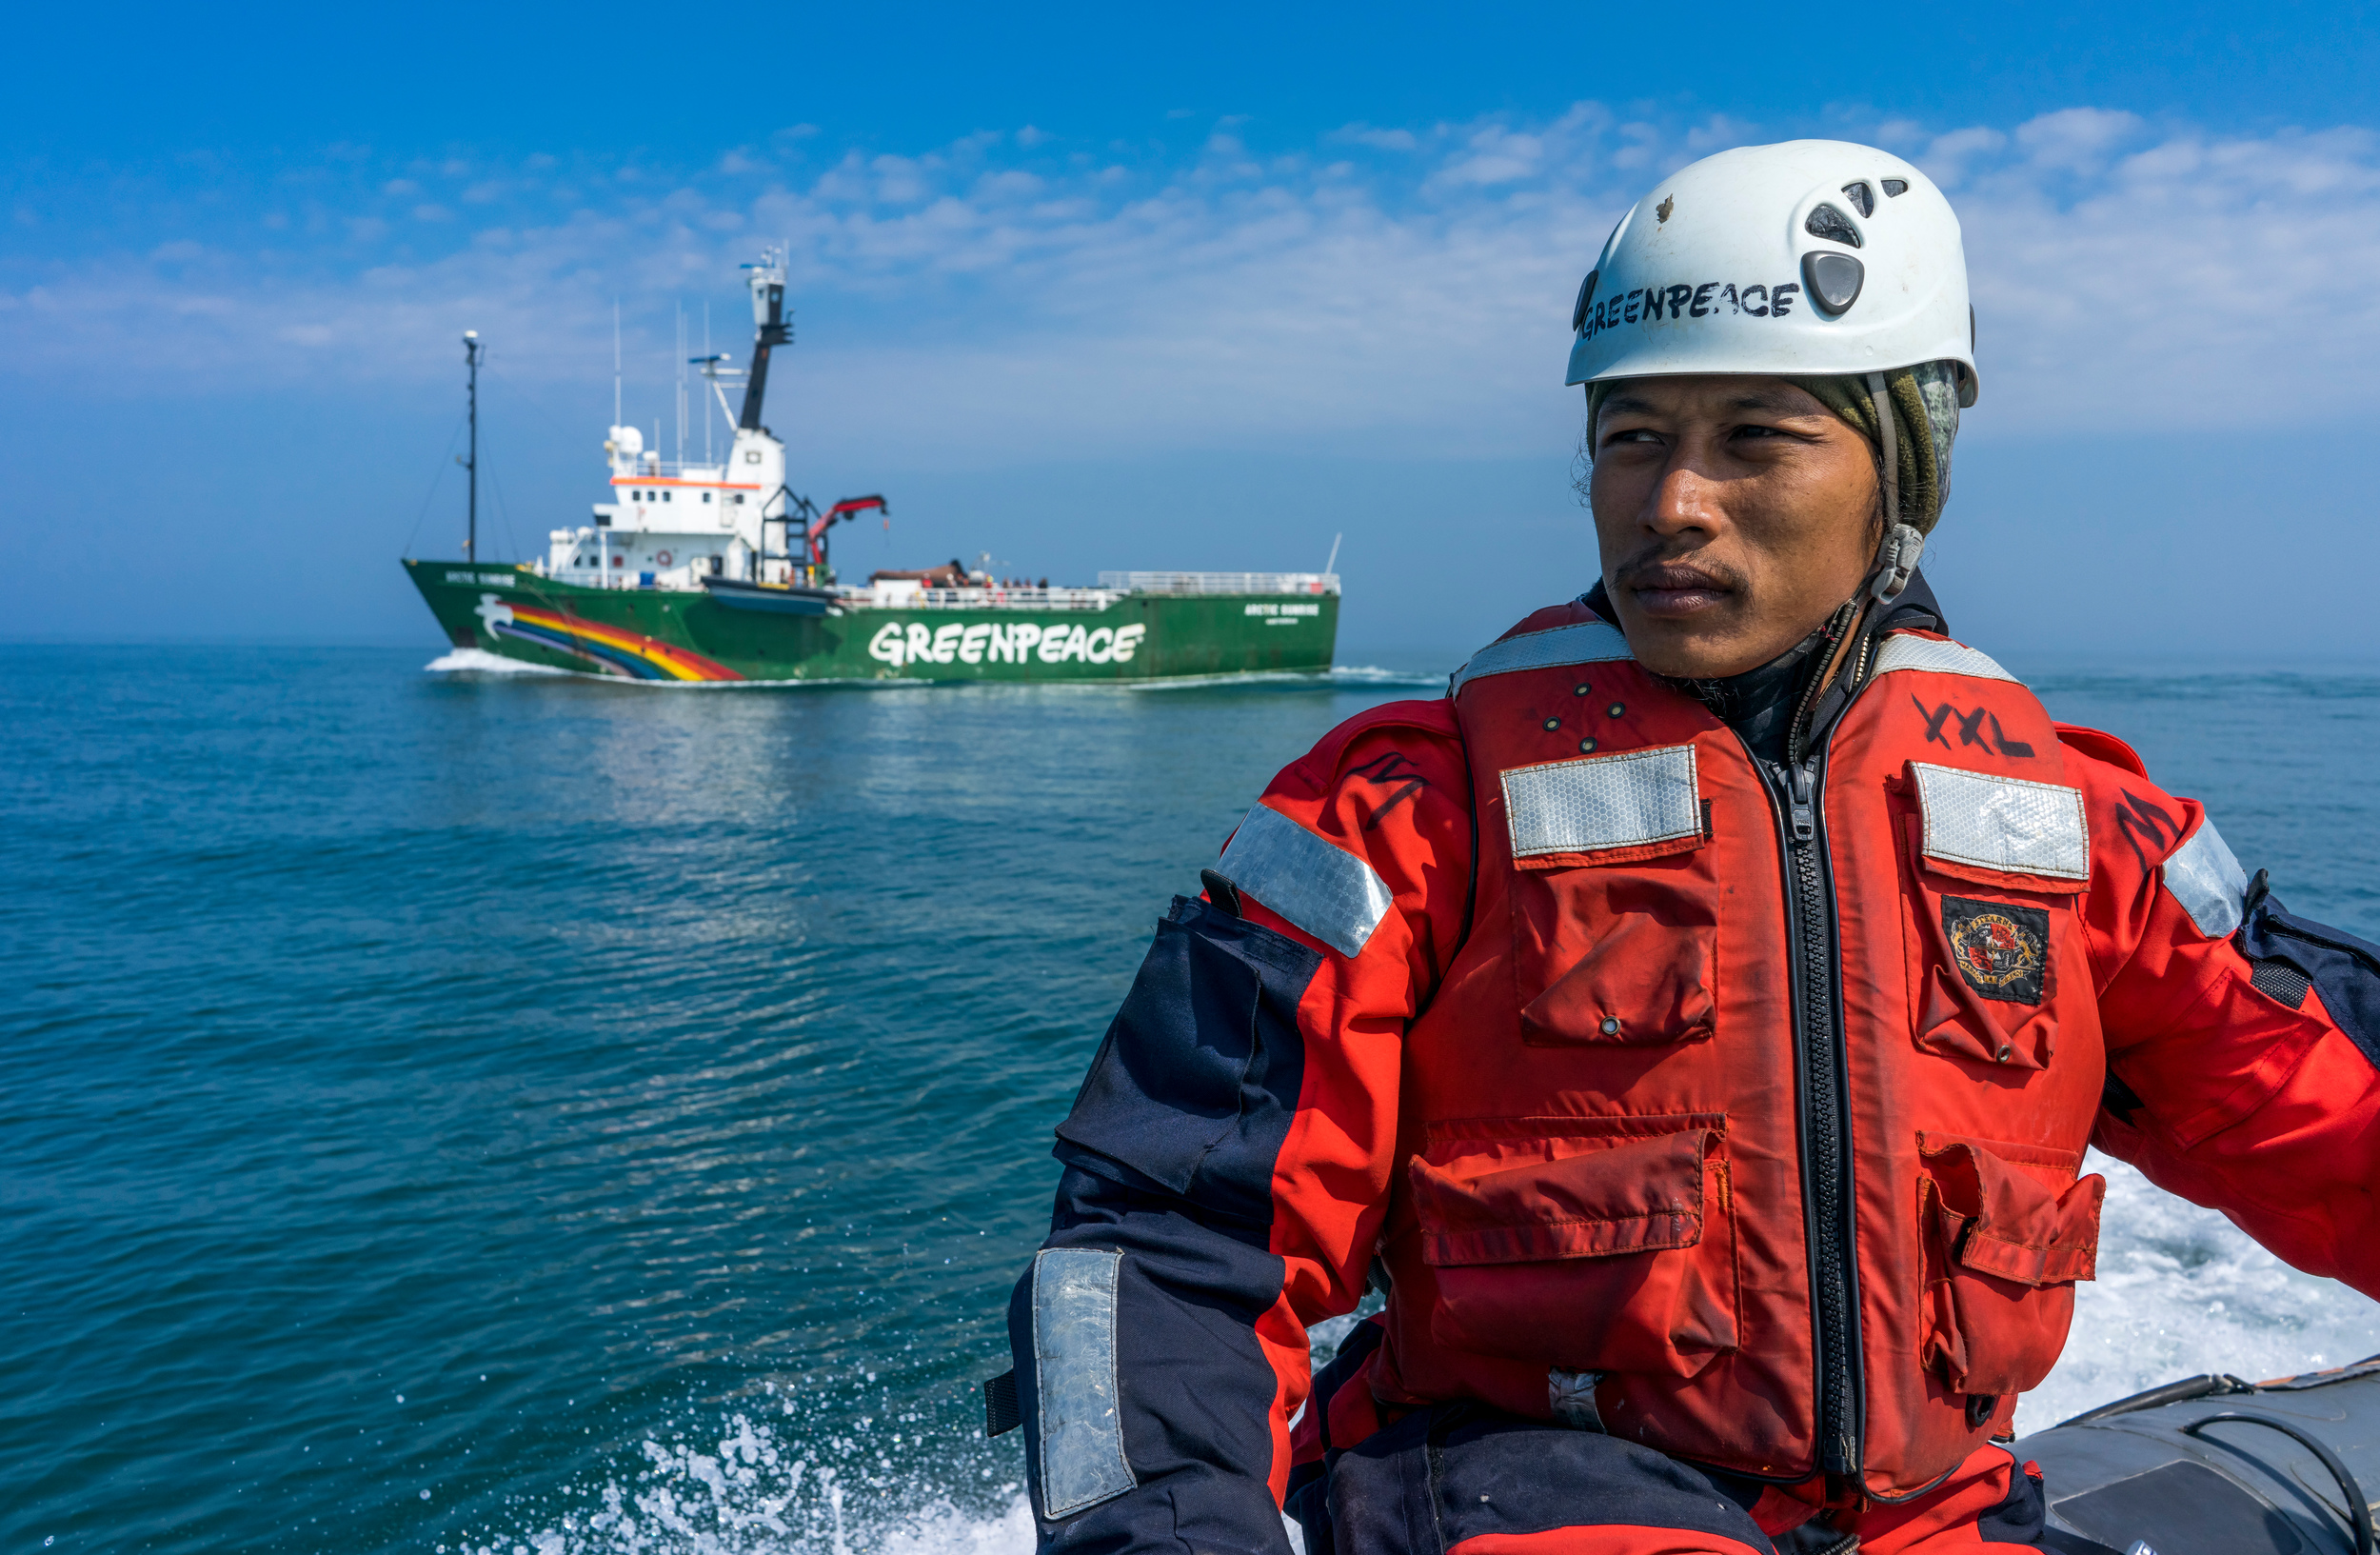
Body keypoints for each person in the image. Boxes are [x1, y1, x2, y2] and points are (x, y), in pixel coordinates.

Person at [1002, 140, 2380, 1554]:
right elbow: (1171, 1251)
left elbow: (2327, 1107)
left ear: (1904, 469)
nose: (1671, 504)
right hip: (1516, 1511)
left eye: (1756, 438)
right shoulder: (1408, 809)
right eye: (1633, 436)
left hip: (1942, 1520)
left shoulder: (2076, 832)